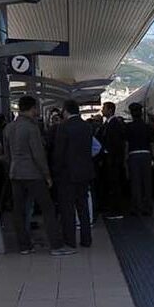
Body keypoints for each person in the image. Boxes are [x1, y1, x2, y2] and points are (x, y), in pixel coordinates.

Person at [5, 95, 63, 255]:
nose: (37, 111)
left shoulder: (9, 128)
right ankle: (56, 246)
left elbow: (7, 154)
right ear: (32, 109)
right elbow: (38, 154)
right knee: (48, 208)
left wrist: (11, 170)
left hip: (15, 174)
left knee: (19, 210)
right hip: (33, 174)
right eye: (36, 108)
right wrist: (47, 175)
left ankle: (24, 246)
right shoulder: (32, 128)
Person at [48, 99, 96, 250]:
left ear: (66, 110)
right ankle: (86, 239)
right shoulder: (87, 126)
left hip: (66, 174)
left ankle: (70, 240)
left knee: (67, 208)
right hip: (84, 173)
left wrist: (55, 170)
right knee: (83, 207)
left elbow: (59, 153)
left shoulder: (63, 127)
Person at [94, 101, 126, 217]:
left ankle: (116, 210)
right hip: (110, 160)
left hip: (113, 160)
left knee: (114, 184)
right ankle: (113, 208)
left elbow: (116, 144)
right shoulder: (109, 124)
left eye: (104, 108)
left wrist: (110, 156)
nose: (102, 110)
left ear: (110, 110)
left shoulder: (114, 124)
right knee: (111, 184)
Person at [125, 102, 154, 216]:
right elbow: (152, 144)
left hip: (134, 155)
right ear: (141, 113)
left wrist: (125, 158)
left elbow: (126, 144)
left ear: (132, 114)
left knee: (136, 183)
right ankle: (148, 207)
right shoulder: (148, 127)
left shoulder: (128, 127)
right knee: (147, 182)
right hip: (146, 155)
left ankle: (137, 208)